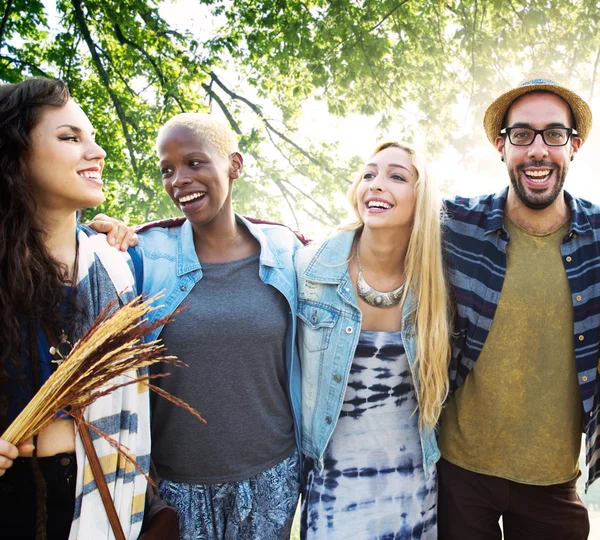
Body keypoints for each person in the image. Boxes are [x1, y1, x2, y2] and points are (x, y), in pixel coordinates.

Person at [107, 113, 303, 539]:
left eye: (194, 162)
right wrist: (99, 238)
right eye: (167, 169)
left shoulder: (288, 252)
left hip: (272, 478)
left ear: (234, 165)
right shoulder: (144, 256)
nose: (179, 179)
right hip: (176, 487)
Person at [438, 72, 596, 539]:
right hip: (460, 473)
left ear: (574, 145)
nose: (538, 149)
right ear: (500, 146)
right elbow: (378, 226)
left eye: (554, 134)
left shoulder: (599, 239)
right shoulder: (455, 223)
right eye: (522, 134)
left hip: (554, 481)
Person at [0, 78, 149, 539]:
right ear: (16, 154)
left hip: (105, 488)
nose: (96, 151)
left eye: (93, 137)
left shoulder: (122, 263)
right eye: (70, 137)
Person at [296, 141, 452, 539]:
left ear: (422, 198)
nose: (376, 185)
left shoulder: (437, 283)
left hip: (414, 492)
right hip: (333, 492)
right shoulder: (310, 269)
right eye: (368, 174)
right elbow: (244, 240)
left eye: (396, 176)